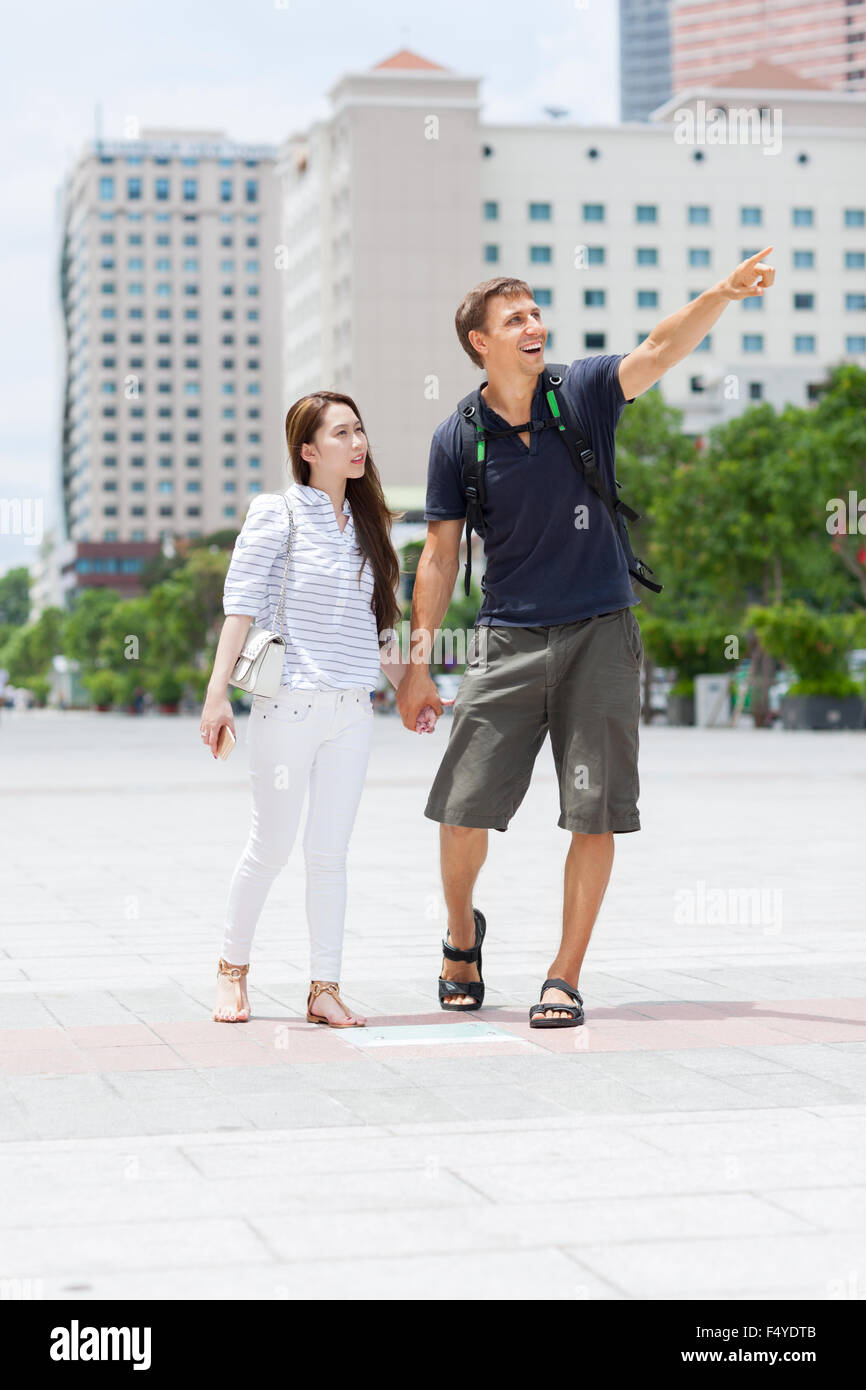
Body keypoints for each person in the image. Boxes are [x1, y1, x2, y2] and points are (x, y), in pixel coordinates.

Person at [397, 251, 776, 1026]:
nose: (535, 326)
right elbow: (439, 555)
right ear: (480, 343)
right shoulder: (457, 437)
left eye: (536, 313)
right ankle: (461, 934)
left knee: (593, 811)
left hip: (602, 628)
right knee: (462, 807)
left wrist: (721, 294)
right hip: (507, 637)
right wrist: (415, 663)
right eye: (516, 320)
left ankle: (563, 977)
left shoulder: (584, 394)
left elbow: (660, 350)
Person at [201, 390, 436, 1026]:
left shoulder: (369, 526)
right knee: (271, 848)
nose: (358, 443)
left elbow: (372, 627)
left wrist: (412, 684)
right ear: (308, 452)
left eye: (360, 431)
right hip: (289, 706)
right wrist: (217, 693)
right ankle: (232, 972)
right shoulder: (278, 513)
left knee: (330, 854)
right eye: (341, 434)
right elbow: (241, 606)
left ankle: (323, 988)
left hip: (351, 710)